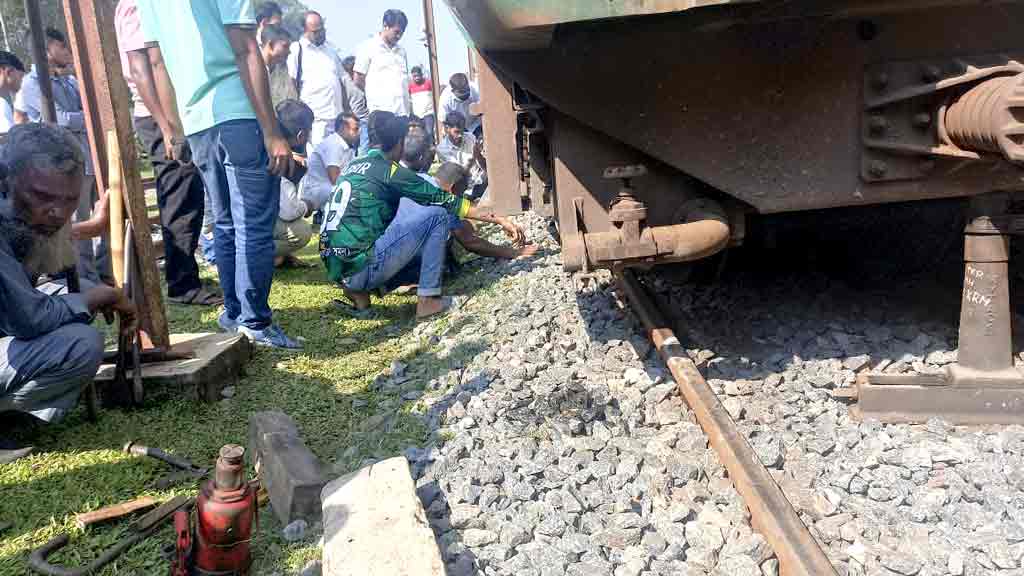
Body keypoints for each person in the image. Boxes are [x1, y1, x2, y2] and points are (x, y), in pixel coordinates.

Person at [137, 0, 301, 349]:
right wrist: (272, 132)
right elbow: (244, 49)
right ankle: (254, 321)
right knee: (253, 223)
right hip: (238, 113)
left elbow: (157, 62)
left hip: (197, 120)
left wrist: (173, 128)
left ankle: (234, 313)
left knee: (226, 223)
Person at [0, 124, 137, 464]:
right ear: (5, 182)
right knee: (81, 342)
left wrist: (92, 227)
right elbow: (30, 320)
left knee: (75, 296)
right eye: (43, 197)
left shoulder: (17, 212)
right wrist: (101, 297)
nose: (58, 213)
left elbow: (32, 252)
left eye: (70, 199)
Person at [320, 111, 518, 320]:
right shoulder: (391, 171)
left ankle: (358, 291)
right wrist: (499, 219)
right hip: (359, 268)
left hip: (334, 265)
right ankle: (428, 300)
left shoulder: (353, 165)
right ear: (398, 143)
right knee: (437, 215)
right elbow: (450, 202)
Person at [115, 0, 222, 307]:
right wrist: (167, 125)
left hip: (174, 114)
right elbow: (139, 68)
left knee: (189, 196)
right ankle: (182, 285)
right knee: (179, 199)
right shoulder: (135, 6)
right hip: (160, 116)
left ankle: (185, 276)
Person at [14, 27, 110, 285]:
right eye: (62, 46)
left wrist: (86, 115)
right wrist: (88, 117)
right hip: (63, 170)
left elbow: (89, 109)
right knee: (78, 223)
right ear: (46, 50)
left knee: (103, 216)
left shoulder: (69, 81)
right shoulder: (32, 84)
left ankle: (104, 272)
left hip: (88, 160)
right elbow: (63, 120)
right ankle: (86, 278)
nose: (67, 51)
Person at [401, 128, 535, 262]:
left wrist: (501, 220)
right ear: (452, 189)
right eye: (461, 192)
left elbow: (467, 209)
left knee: (462, 223)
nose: (462, 196)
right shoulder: (438, 200)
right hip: (405, 256)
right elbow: (469, 242)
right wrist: (513, 253)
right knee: (458, 227)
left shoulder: (424, 179)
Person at [287, 10, 348, 150]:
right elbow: (292, 82)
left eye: (322, 29)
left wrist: (345, 110)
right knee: (317, 160)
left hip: (336, 117)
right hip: (316, 119)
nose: (320, 33)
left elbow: (340, 81)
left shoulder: (330, 51)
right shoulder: (297, 49)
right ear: (305, 30)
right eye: (316, 31)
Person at [273, 99, 314, 268]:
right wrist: (307, 205)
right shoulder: (284, 160)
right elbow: (289, 212)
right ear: (301, 136)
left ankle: (280, 256)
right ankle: (258, 256)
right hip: (249, 223)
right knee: (302, 232)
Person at [354, 10, 410, 118]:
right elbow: (358, 79)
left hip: (402, 113)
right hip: (380, 115)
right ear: (385, 26)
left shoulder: (402, 52)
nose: (399, 36)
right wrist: (375, 95)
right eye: (396, 32)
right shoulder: (368, 47)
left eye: (402, 33)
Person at [302, 111, 359, 214]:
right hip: (317, 191)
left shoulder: (346, 146)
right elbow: (335, 179)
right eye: (355, 129)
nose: (358, 133)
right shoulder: (333, 145)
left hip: (327, 188)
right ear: (343, 128)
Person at [437, 111, 487, 201]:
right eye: (456, 132)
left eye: (462, 132)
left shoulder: (470, 138)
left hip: (479, 181)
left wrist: (478, 155)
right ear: (447, 128)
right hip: (462, 188)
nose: (460, 135)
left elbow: (484, 167)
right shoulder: (442, 149)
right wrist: (470, 163)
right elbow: (456, 177)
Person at [340, 56, 369, 154]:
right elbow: (343, 99)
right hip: (352, 119)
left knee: (363, 147)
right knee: (353, 147)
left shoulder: (363, 79)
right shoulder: (344, 80)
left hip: (365, 119)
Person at [0, 51, 25, 137]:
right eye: (21, 76)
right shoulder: (1, 104)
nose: (22, 81)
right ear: (8, 72)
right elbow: (8, 142)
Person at [408, 65, 434, 141]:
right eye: (414, 76)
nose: (416, 78)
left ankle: (431, 148)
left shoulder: (428, 83)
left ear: (421, 74)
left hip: (428, 113)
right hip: (417, 116)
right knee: (419, 136)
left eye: (418, 75)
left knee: (429, 132)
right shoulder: (410, 86)